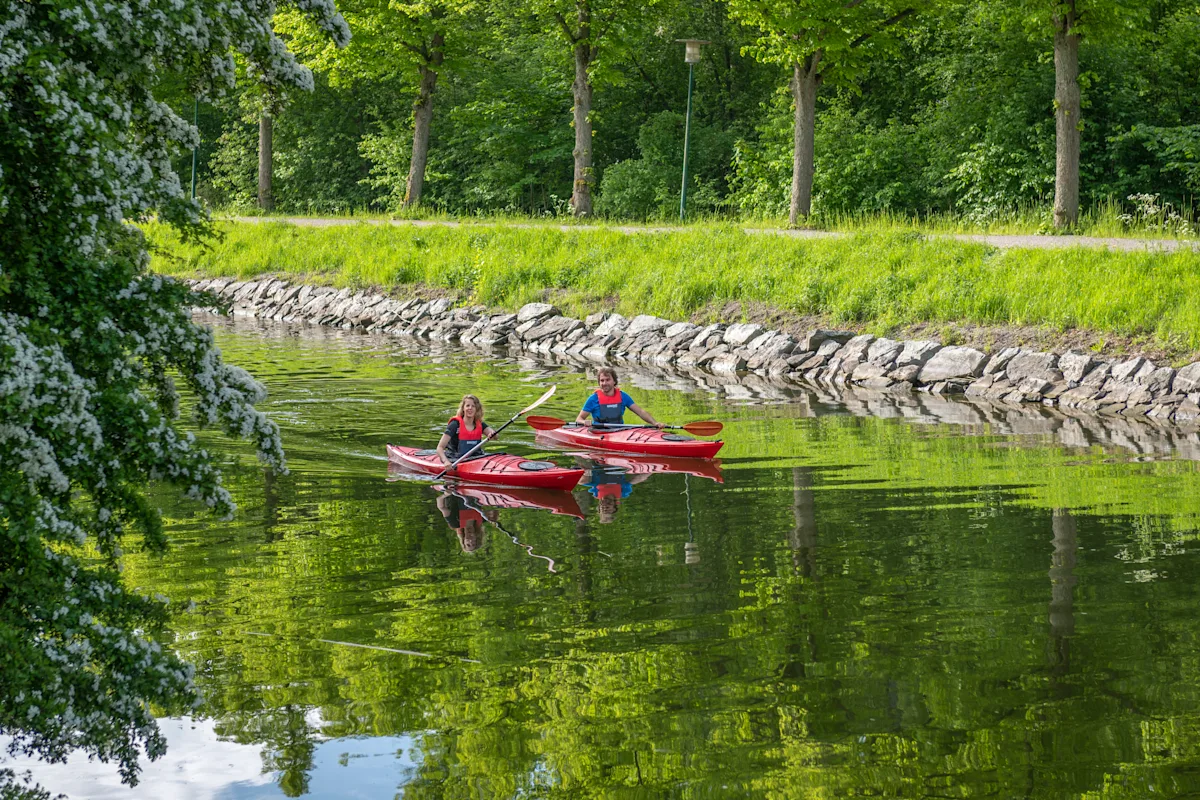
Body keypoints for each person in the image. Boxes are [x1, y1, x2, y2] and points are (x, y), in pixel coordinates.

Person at [576, 366, 662, 428]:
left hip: (619, 431)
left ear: (614, 381)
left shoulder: (623, 396)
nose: (604, 383)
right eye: (602, 380)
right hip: (599, 432)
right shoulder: (593, 399)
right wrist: (584, 421)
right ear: (599, 383)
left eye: (607, 380)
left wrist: (655, 423)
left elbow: (640, 412)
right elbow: (579, 419)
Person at [436, 394, 496, 467]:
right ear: (463, 408)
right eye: (467, 406)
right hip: (455, 459)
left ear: (477, 409)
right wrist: (445, 461)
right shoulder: (455, 424)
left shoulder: (480, 424)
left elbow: (495, 436)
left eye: (473, 406)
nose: (470, 408)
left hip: (476, 458)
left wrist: (493, 434)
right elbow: (440, 448)